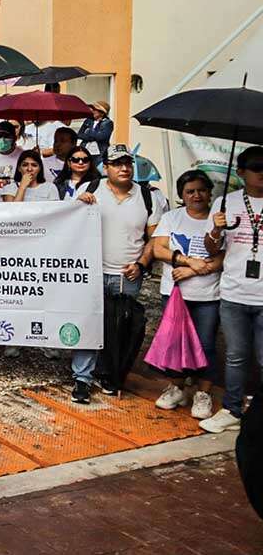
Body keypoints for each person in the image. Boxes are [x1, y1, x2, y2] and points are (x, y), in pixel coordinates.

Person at [73, 145, 161, 403]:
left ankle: (112, 374)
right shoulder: (88, 190)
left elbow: (154, 238)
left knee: (121, 329)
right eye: (117, 163)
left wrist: (142, 264)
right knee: (89, 324)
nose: (124, 168)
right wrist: (79, 205)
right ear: (106, 167)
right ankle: (82, 378)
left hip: (128, 275)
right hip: (93, 272)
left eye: (127, 163)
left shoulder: (149, 197)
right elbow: (70, 228)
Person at [150, 170, 221, 420]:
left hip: (208, 294)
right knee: (175, 343)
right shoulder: (171, 218)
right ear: (182, 195)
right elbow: (158, 249)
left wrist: (197, 270)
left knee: (205, 345)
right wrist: (190, 262)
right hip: (174, 293)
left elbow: (225, 254)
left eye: (201, 190)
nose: (196, 195)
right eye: (190, 191)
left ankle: (203, 393)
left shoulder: (218, 219)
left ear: (210, 192)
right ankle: (177, 388)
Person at [201, 146, 263, 433]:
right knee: (236, 355)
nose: (262, 173)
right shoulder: (225, 202)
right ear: (241, 172)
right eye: (256, 167)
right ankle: (232, 410)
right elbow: (211, 248)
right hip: (234, 292)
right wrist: (215, 230)